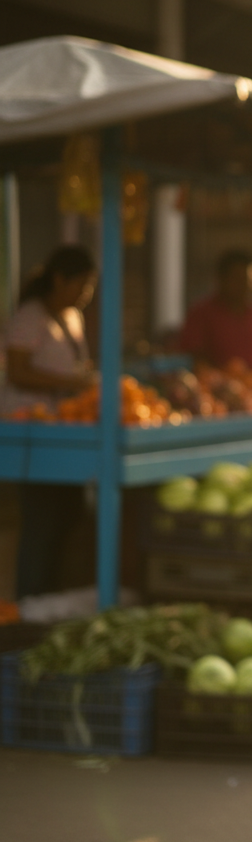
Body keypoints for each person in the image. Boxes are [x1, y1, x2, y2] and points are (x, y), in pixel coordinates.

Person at [1, 245, 96, 598]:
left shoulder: (72, 318)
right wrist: (71, 383)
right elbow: (18, 371)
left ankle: (54, 595)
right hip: (31, 433)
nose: (85, 294)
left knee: (71, 511)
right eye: (81, 285)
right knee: (41, 517)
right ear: (59, 279)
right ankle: (30, 601)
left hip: (65, 429)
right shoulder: (30, 316)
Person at [179, 249, 252, 369]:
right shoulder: (202, 313)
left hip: (251, 385)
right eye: (237, 279)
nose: (243, 285)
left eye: (248, 280)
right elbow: (191, 356)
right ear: (221, 279)